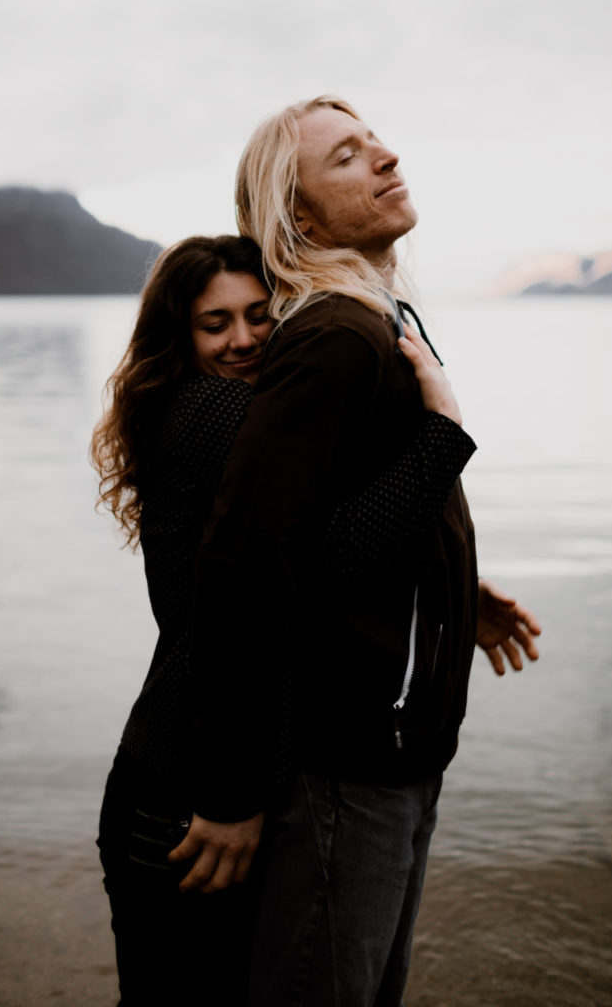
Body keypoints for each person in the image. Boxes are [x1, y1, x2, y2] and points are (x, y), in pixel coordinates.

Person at [170, 97, 541, 1006]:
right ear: (299, 216)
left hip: (399, 750)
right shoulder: (335, 336)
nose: (384, 157)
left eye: (375, 142)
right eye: (347, 157)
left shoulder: (378, 317)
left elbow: (341, 520)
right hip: (349, 759)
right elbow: (249, 565)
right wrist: (230, 791)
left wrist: (454, 584)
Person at [91, 232, 493, 1006]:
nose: (243, 339)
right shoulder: (214, 411)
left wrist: (466, 589)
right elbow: (343, 549)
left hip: (190, 765)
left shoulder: (228, 414)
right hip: (184, 789)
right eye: (216, 324)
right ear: (179, 337)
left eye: (260, 315)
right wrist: (443, 425)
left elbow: (312, 545)